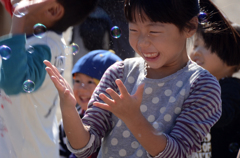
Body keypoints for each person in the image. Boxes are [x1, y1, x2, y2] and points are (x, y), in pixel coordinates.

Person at [44, 0, 222, 157]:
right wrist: (68, 108)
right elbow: (84, 149)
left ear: (189, 27)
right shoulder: (119, 73)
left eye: (154, 31)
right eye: (134, 29)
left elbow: (177, 153)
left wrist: (133, 118)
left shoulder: (202, 85)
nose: (142, 42)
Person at [0, 0, 97, 157]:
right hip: (34, 147)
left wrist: (19, 17)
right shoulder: (46, 41)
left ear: (53, 10)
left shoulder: (45, 48)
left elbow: (12, 83)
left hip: (23, 152)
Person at [190, 2, 240, 157]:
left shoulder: (232, 87)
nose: (195, 52)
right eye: (195, 45)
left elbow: (223, 115)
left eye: (204, 46)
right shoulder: (196, 86)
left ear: (230, 56)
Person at [59, 50, 122, 158]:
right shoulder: (69, 120)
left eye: (90, 82)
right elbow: (61, 153)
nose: (82, 88)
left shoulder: (117, 124)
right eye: (77, 81)